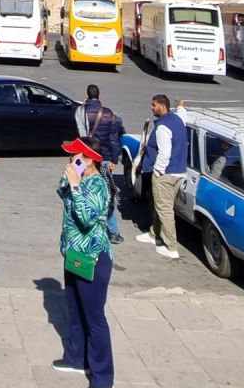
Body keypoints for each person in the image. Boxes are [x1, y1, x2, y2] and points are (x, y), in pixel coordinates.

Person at [53, 135, 115, 388]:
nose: (70, 160)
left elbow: (87, 218)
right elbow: (61, 192)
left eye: (75, 156)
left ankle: (103, 377)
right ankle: (76, 357)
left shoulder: (99, 185)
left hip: (93, 257)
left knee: (94, 317)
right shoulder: (78, 178)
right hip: (73, 253)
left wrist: (76, 186)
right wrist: (70, 178)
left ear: (89, 160)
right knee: (75, 309)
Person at [134, 94, 187, 260]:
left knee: (164, 209)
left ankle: (171, 247)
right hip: (178, 172)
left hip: (165, 174)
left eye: (154, 105)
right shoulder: (177, 119)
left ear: (162, 106)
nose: (152, 107)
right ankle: (154, 234)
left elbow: (165, 152)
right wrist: (181, 106)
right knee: (160, 205)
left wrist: (158, 171)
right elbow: (183, 114)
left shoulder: (163, 127)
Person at [74, 85, 124, 243]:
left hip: (87, 158)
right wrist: (114, 159)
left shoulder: (81, 111)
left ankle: (86, 226)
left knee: (84, 191)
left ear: (87, 96)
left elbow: (81, 136)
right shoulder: (109, 113)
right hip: (104, 159)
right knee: (107, 194)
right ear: (99, 96)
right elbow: (113, 139)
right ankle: (113, 232)